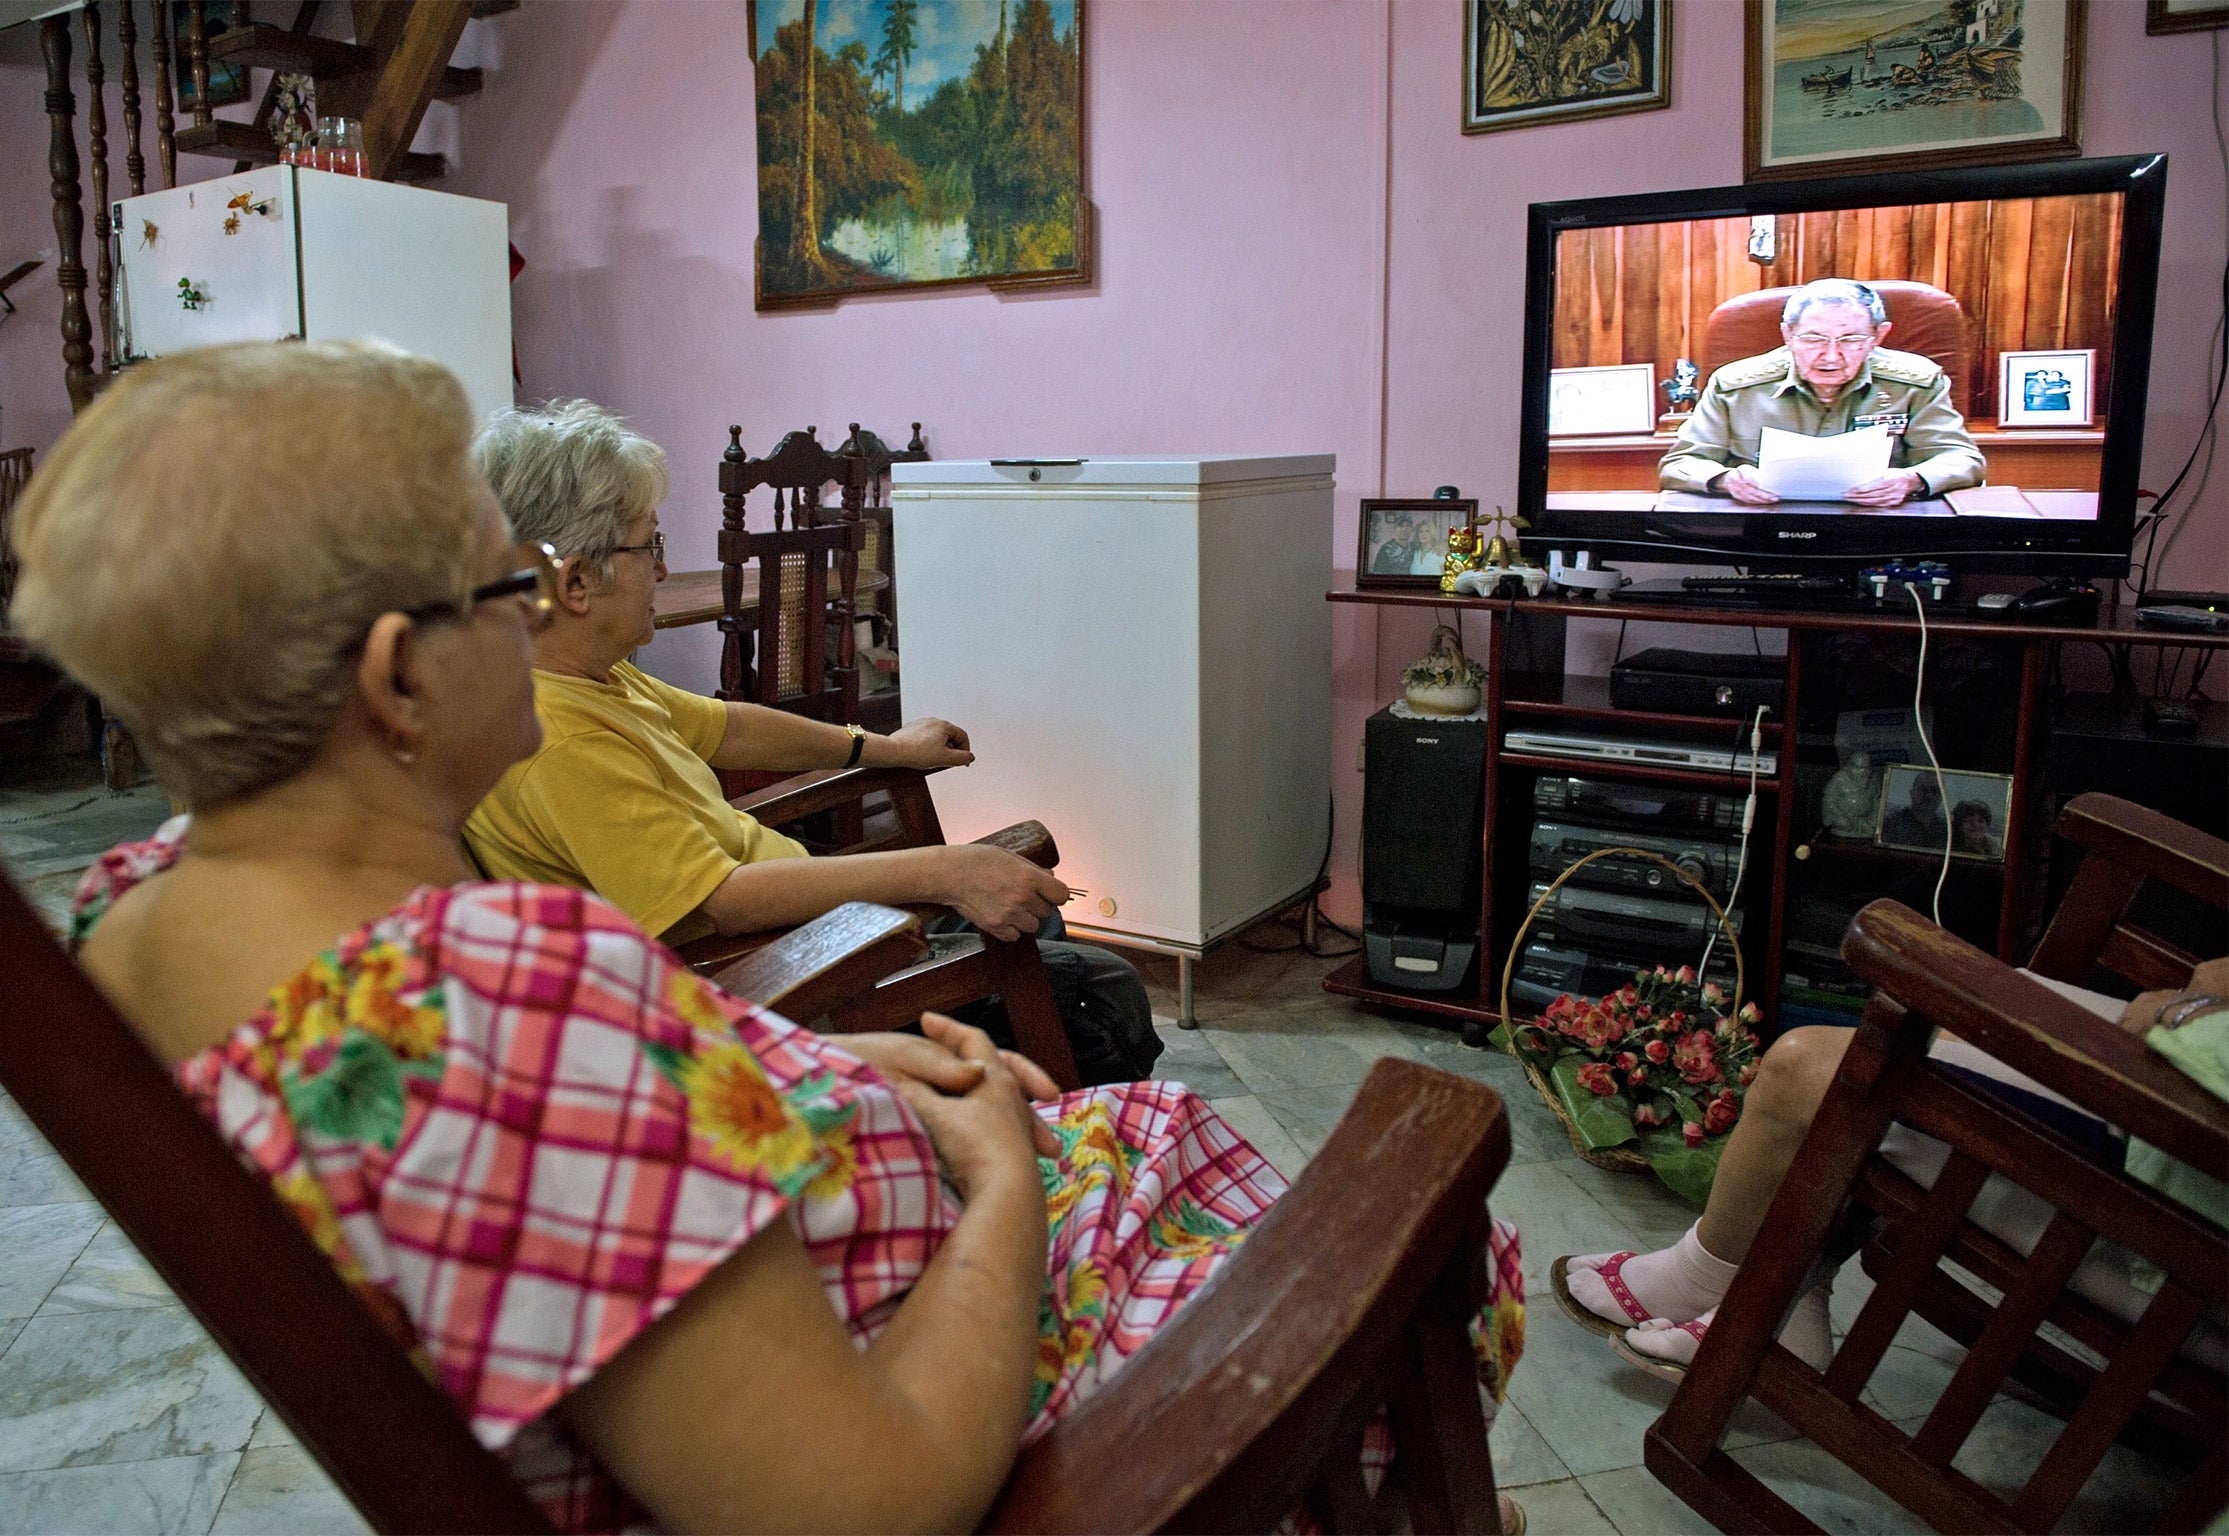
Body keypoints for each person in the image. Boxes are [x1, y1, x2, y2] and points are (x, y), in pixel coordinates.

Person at [14, 342, 1524, 1534]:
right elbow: (866, 1502)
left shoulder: (144, 911)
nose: (547, 615)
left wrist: (817, 1052)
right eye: (509, 589)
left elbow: (595, 1114)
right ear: (403, 680)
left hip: (823, 1194)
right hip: (971, 1338)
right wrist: (1000, 1184)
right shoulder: (527, 1014)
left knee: (1140, 1107)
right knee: (1412, 1202)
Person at [461, 401, 1159, 1086]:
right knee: (1096, 992)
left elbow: (727, 725)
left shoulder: (589, 680)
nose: (663, 571)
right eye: (651, 545)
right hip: (771, 978)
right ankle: (1068, 1169)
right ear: (576, 582)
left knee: (1034, 925)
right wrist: (944, 870)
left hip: (796, 928)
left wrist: (882, 748)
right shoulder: (556, 741)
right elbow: (721, 900)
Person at [1552, 954, 2229, 1379]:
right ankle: (1790, 1311)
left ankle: (1699, 1277)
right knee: (1970, 1007)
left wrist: (2188, 1010)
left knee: (1807, 1069)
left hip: (2187, 1162)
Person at [1659, 278, 1986, 507]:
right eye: (1813, 339)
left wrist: (1910, 479)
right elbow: (1681, 463)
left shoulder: (1916, 381)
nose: (1830, 356)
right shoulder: (1734, 385)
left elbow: (1962, 459)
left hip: (1879, 527)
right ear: (1788, 334)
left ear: (1878, 336)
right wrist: (1726, 480)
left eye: (1850, 340)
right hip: (1765, 530)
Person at [1881, 770, 1947, 849]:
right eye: (1923, 789)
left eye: (1935, 791)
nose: (1929, 796)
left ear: (1941, 797)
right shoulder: (1891, 824)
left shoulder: (1945, 831)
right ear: (1912, 794)